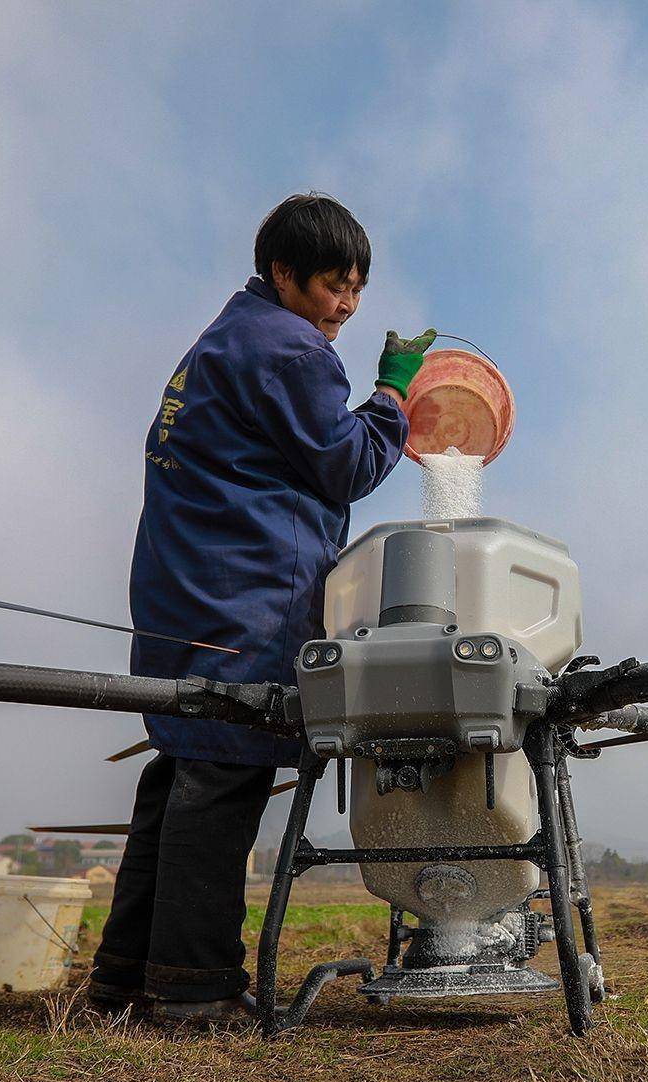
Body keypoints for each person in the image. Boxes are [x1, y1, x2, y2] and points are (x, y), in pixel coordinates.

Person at [91, 194, 433, 1026]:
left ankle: (122, 978)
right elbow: (346, 464)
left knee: (177, 775)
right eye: (330, 285)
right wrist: (391, 398)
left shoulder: (224, 338)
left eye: (355, 287)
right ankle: (193, 989)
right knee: (222, 782)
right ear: (283, 273)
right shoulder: (291, 353)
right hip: (243, 597)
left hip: (186, 589)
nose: (344, 306)